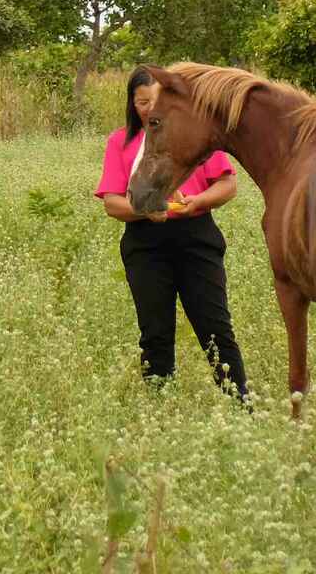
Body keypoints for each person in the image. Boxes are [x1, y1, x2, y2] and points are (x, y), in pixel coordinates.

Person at [93, 68, 249, 398]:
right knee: (155, 333)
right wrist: (145, 209)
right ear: (132, 105)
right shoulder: (120, 142)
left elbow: (228, 183)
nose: (150, 108)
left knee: (215, 329)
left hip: (197, 238)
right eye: (142, 102)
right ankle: (161, 405)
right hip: (145, 245)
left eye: (156, 101)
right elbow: (111, 203)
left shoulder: (194, 133)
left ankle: (241, 403)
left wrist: (197, 202)